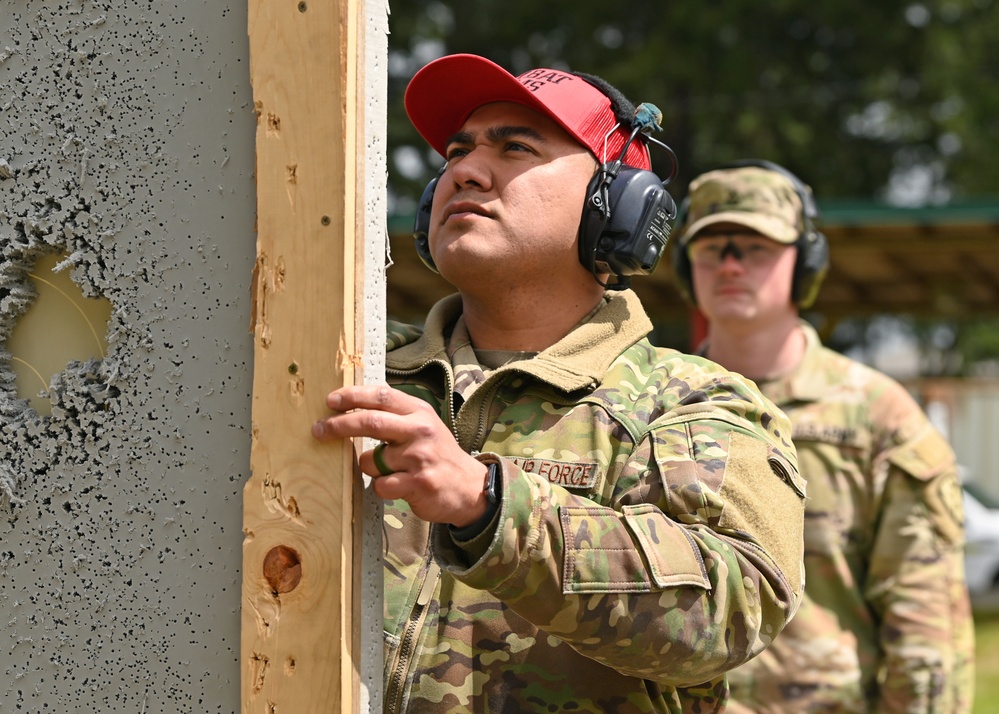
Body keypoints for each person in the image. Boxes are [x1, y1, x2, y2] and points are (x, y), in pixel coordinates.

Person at [312, 55, 808, 713]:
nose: (463, 170)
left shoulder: (691, 404)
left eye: (514, 147)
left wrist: (488, 504)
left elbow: (733, 609)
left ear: (618, 205)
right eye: (456, 153)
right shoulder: (345, 368)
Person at [671, 160, 976, 712]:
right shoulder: (653, 406)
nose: (731, 265)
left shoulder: (878, 415)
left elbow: (926, 622)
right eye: (712, 247)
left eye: (757, 246)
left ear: (805, 264)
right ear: (687, 269)